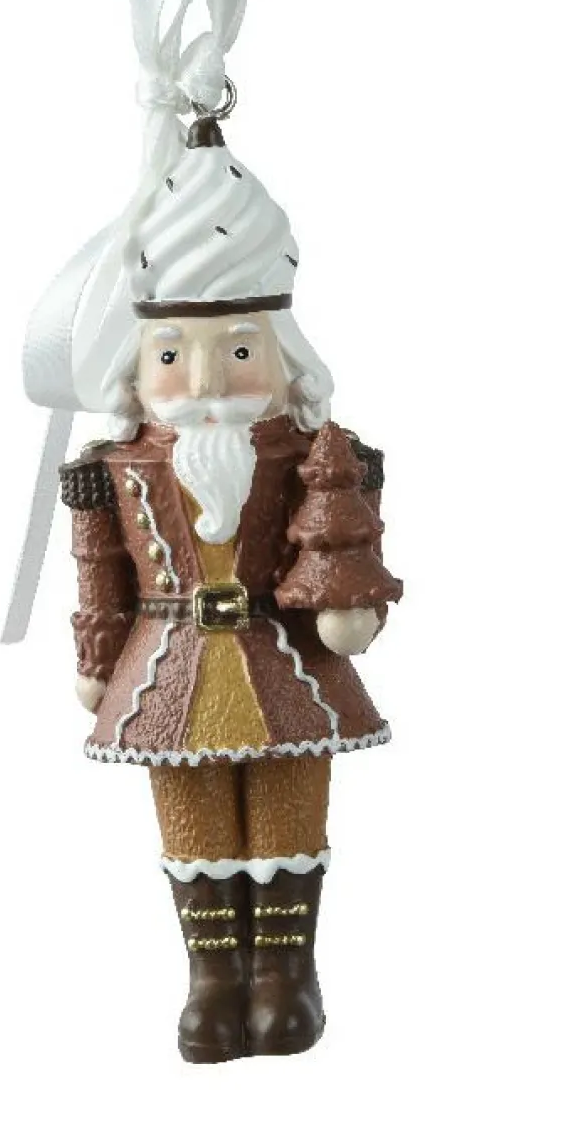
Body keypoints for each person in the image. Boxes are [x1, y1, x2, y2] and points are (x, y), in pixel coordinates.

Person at [57, 117, 402, 1061]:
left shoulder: (327, 457)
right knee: (193, 813)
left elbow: (348, 542)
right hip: (165, 666)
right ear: (139, 368)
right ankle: (212, 978)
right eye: (174, 356)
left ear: (284, 356)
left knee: (290, 804)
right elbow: (99, 573)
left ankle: (286, 973)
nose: (207, 380)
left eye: (240, 352)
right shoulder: (110, 472)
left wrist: (353, 607)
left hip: (287, 659)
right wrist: (95, 655)